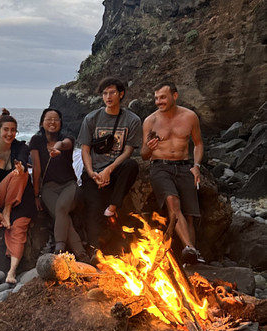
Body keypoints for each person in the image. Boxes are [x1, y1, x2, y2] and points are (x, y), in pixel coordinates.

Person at [140, 82, 204, 264]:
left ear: (174, 96)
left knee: (190, 215)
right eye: (156, 98)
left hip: (184, 166)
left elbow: (198, 143)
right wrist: (149, 148)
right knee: (172, 202)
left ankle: (191, 256)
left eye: (163, 97)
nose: (159, 102)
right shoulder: (150, 121)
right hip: (160, 167)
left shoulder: (190, 117)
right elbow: (144, 155)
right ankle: (191, 249)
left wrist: (197, 165)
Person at [77, 77, 142, 251]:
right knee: (92, 212)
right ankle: (96, 251)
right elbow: (85, 150)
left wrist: (109, 169)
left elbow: (128, 151)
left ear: (121, 94)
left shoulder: (132, 120)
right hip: (94, 173)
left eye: (112, 92)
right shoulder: (92, 118)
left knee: (131, 166)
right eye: (105, 93)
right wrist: (92, 173)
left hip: (115, 170)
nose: (108, 97)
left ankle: (112, 208)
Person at [0, 109, 36, 283]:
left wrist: (19, 165)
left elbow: (22, 157)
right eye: (6, 130)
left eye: (13, 130)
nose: (10, 133)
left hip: (21, 196)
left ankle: (11, 271)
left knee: (18, 228)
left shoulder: (22, 147)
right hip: (1, 196)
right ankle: (6, 210)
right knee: (19, 174)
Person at [29, 108, 90, 263]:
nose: (52, 122)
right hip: (49, 187)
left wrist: (57, 147)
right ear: (42, 123)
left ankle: (59, 249)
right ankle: (81, 253)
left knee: (61, 208)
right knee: (61, 216)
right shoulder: (36, 141)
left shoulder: (67, 138)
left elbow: (66, 144)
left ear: (61, 123)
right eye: (48, 119)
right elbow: (36, 170)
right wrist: (36, 195)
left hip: (69, 185)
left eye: (56, 119)